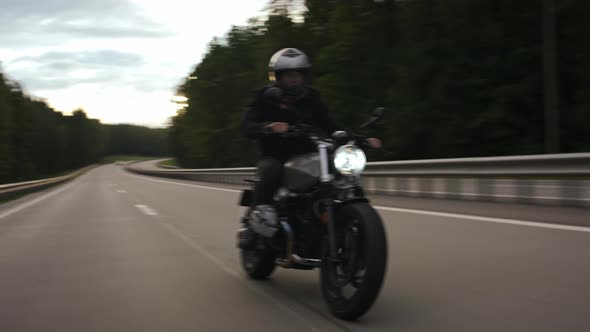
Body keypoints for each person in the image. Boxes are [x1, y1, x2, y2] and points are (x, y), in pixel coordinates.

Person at [238, 48, 381, 249]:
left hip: (308, 154)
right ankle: (254, 230)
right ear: (278, 77)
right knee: (271, 170)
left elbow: (330, 124)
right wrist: (268, 127)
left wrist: (359, 139)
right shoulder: (264, 96)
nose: (294, 79)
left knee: (334, 171)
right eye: (289, 75)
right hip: (276, 155)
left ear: (304, 76)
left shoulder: (312, 96)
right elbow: (246, 126)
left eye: (298, 74)